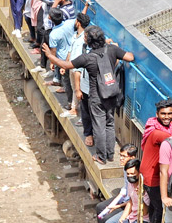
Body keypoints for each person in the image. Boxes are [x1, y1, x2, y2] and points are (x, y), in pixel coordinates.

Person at [46, 25, 135, 165]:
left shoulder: (87, 58)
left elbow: (65, 65)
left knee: (99, 125)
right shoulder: (112, 49)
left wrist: (50, 56)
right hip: (111, 93)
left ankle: (101, 156)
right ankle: (110, 154)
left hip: (96, 96)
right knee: (110, 123)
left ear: (88, 41)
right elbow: (130, 57)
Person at [86, 144, 139, 223]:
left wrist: (117, 206)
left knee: (109, 218)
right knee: (101, 207)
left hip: (130, 204)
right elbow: (124, 189)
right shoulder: (126, 168)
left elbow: (133, 199)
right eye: (121, 155)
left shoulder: (135, 171)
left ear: (132, 158)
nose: (121, 158)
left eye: (124, 156)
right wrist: (114, 203)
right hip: (125, 198)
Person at [142, 99, 172, 223]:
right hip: (152, 174)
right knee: (158, 207)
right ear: (157, 114)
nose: (167, 116)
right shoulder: (158, 133)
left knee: (155, 205)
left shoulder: (170, 127)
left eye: (169, 113)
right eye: (163, 114)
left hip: (155, 172)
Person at [67, 13, 91, 124]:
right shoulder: (75, 35)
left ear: (79, 23)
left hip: (79, 69)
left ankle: (82, 116)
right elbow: (70, 50)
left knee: (80, 91)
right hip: (72, 66)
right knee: (74, 88)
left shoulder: (84, 39)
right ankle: (74, 108)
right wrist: (65, 64)